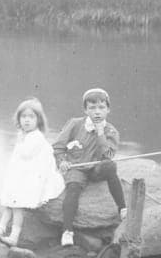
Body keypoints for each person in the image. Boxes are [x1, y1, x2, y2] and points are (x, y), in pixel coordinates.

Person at [52, 87, 127, 247]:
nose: (97, 112)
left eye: (101, 108)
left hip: (96, 169)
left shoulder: (111, 131)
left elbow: (107, 156)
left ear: (108, 109)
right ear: (85, 110)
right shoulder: (74, 124)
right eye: (92, 108)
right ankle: (67, 231)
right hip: (77, 168)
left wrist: (100, 133)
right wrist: (62, 161)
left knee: (109, 166)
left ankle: (122, 208)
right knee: (72, 189)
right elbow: (58, 147)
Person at [0, 97, 64, 246]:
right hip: (21, 177)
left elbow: (26, 154)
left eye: (31, 117)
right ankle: (0, 229)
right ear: (19, 118)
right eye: (23, 117)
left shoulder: (36, 137)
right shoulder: (25, 135)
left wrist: (20, 140)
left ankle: (14, 236)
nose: (27, 120)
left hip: (31, 180)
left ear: (38, 120)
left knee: (17, 207)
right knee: (8, 204)